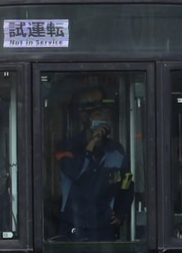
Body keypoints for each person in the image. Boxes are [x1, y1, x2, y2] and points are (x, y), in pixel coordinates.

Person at [55, 88, 133, 240]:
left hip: (103, 228)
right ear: (85, 118)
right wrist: (90, 146)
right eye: (98, 114)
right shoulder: (67, 147)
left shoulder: (116, 151)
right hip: (73, 227)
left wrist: (120, 214)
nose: (104, 118)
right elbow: (74, 173)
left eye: (107, 114)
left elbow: (127, 185)